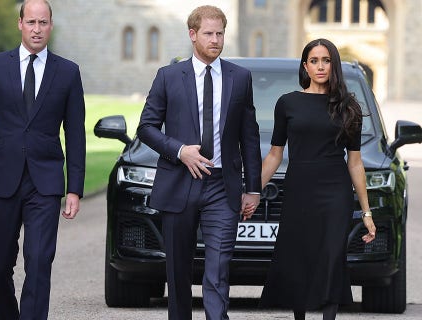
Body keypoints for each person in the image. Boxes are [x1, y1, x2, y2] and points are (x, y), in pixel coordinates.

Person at [0, 0, 85, 319]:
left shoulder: (68, 72)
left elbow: (76, 133)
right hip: (1, 177)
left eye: (43, 23)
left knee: (40, 262)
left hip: (45, 182)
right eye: (31, 22)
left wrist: (75, 188)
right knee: (0, 265)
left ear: (51, 25)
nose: (37, 29)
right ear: (20, 24)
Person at [137, 5, 262, 320]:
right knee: (178, 270)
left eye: (220, 33)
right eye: (209, 33)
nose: (216, 40)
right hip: (180, 183)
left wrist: (253, 189)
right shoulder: (168, 77)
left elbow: (249, 136)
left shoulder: (240, 77)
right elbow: (146, 127)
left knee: (218, 267)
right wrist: (180, 151)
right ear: (192, 34)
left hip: (222, 186)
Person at [259, 38, 376, 320]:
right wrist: (252, 191)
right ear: (305, 66)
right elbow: (275, 155)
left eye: (326, 60)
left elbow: (356, 163)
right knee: (299, 254)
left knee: (332, 255)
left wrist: (366, 212)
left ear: (333, 65)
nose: (320, 66)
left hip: (335, 191)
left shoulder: (349, 107)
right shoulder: (287, 103)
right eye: (314, 61)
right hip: (299, 187)